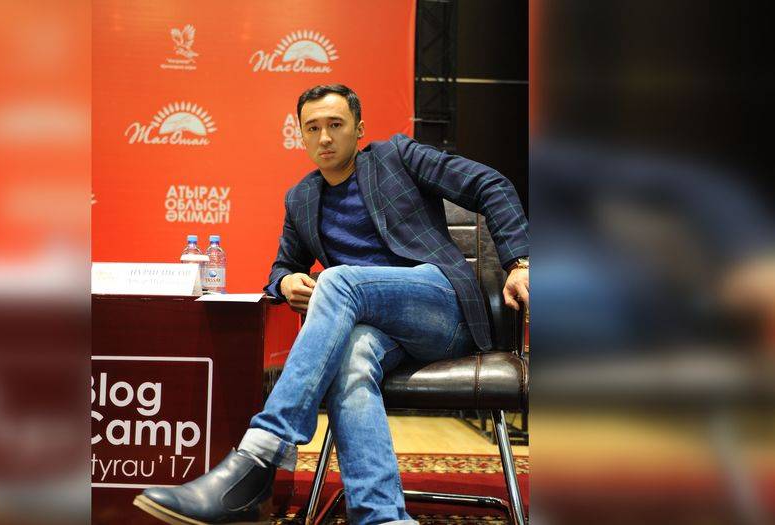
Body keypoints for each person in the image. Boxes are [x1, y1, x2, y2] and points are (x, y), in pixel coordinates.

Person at [135, 84, 530, 525]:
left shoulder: (398, 156)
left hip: (440, 310)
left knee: (339, 279)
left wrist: (519, 262)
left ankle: (260, 454)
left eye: (335, 124)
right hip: (380, 332)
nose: (324, 137)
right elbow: (283, 267)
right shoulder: (301, 199)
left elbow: (489, 183)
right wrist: (286, 282)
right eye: (312, 128)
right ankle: (382, 516)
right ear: (301, 135)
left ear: (358, 129)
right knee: (351, 359)